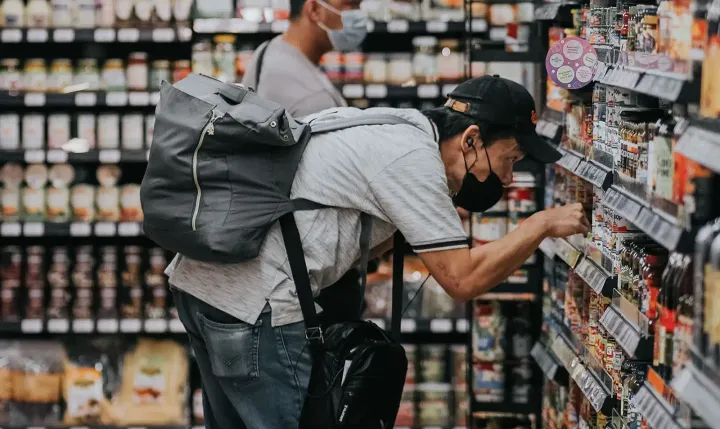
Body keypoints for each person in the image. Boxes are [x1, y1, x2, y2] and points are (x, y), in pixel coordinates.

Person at [167, 75, 590, 429]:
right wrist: (540, 225)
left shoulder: (391, 126)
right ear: (471, 139)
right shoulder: (412, 159)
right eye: (509, 158)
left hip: (206, 287)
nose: (509, 177)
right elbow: (463, 280)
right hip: (254, 307)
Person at [239, 0, 367, 117]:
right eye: (352, 5)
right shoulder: (314, 103)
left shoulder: (267, 49)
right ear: (314, 9)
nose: (360, 17)